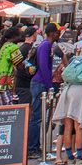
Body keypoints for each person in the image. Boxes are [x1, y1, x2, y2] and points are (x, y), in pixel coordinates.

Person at [27, 23, 58, 157]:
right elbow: (44, 67)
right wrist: (49, 85)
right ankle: (32, 147)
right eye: (57, 32)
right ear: (52, 33)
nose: (59, 34)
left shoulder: (46, 45)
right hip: (39, 83)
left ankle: (35, 146)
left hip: (39, 82)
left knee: (38, 116)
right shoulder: (45, 45)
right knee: (37, 117)